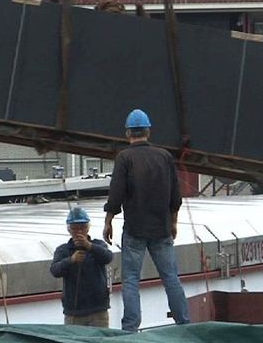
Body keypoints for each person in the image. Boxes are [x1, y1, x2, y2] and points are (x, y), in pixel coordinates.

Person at [103, 108, 190, 331]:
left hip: (135, 229)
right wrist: (173, 222)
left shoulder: (125, 158)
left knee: (131, 279)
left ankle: (131, 327)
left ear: (127, 133)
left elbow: (116, 192)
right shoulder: (164, 156)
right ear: (148, 132)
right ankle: (183, 323)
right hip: (161, 229)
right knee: (171, 277)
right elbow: (175, 195)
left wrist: (109, 220)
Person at [49, 206, 114, 327]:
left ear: (88, 228)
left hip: (98, 310)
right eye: (75, 228)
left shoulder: (98, 245)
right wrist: (70, 260)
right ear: (69, 229)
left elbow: (108, 257)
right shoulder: (63, 250)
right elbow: (55, 270)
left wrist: (89, 246)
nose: (79, 232)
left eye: (82, 227)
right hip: (74, 312)